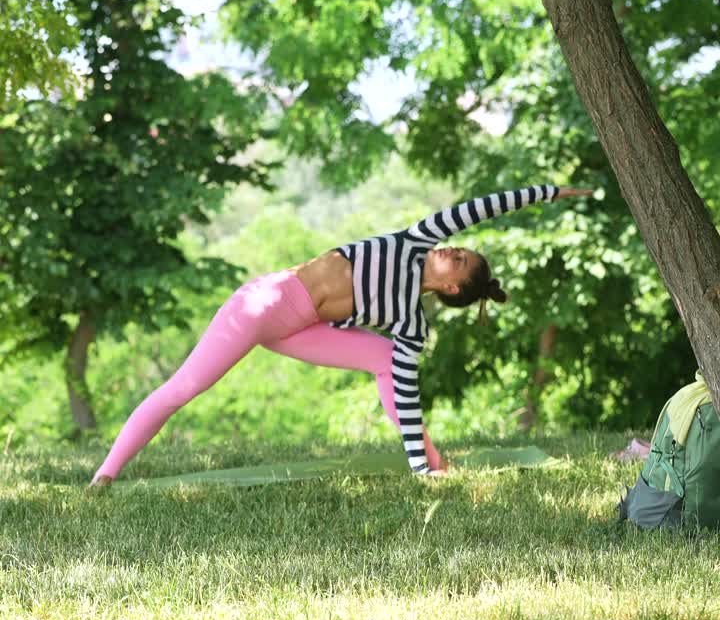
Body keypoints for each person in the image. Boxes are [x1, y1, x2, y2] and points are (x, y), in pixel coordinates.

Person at [89, 182, 592, 485]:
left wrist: (420, 469)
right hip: (264, 305)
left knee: (386, 360)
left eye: (457, 258)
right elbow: (482, 207)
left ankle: (430, 468)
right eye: (455, 247)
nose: (450, 249)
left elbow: (407, 395)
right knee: (185, 388)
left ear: (455, 286)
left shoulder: (410, 324)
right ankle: (104, 475)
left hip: (303, 327)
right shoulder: (416, 240)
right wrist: (546, 193)